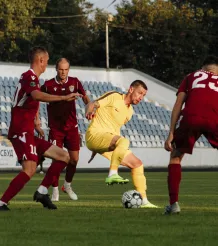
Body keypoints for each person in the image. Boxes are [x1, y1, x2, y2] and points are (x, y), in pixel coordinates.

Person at [0, 47, 81, 211]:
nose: (47, 65)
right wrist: (63, 97)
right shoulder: (29, 77)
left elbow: (29, 101)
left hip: (28, 131)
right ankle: (1, 204)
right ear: (40, 60)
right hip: (21, 132)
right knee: (30, 169)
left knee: (64, 156)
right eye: (47, 61)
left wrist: (36, 123)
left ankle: (41, 191)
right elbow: (35, 95)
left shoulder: (31, 79)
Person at [85, 80, 158, 208]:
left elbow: (114, 130)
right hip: (94, 135)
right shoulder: (114, 96)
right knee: (123, 141)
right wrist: (88, 111)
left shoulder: (129, 113)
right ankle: (112, 174)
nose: (141, 97)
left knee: (137, 164)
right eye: (139, 93)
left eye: (143, 95)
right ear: (131, 89)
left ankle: (144, 201)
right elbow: (92, 104)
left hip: (107, 140)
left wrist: (98, 148)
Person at [164, 55, 218, 215]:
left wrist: (171, 133)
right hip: (215, 118)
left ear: (203, 68)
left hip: (191, 117)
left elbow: (178, 104)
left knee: (175, 156)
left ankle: (174, 205)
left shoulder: (191, 77)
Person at [41, 58, 90, 201]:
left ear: (69, 69)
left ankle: (67, 185)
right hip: (56, 129)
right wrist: (36, 118)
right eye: (61, 69)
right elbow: (36, 98)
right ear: (56, 69)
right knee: (57, 160)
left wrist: (89, 106)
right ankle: (55, 190)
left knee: (74, 160)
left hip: (72, 128)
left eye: (66, 69)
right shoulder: (49, 85)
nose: (63, 72)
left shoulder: (74, 82)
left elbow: (85, 98)